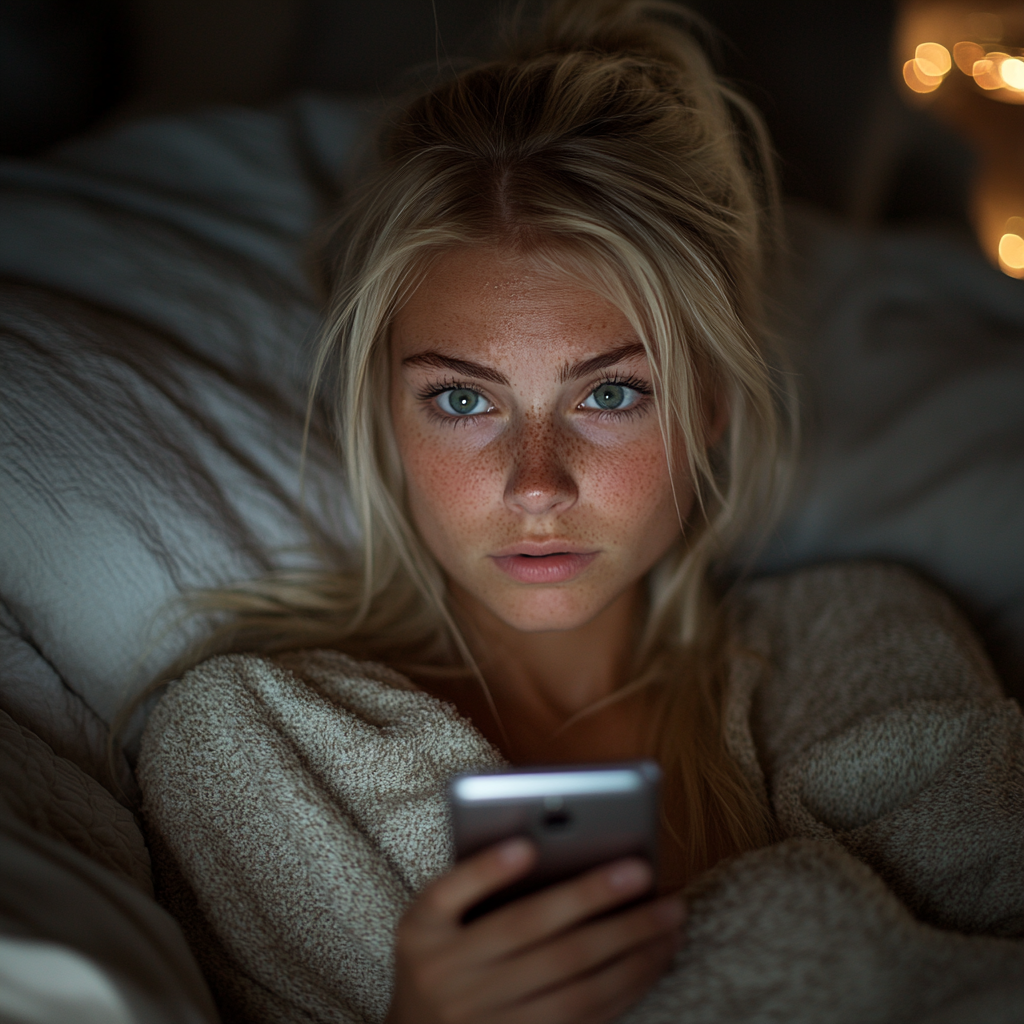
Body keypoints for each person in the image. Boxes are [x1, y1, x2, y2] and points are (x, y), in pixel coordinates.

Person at [135, 2, 1024, 1023]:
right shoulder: (266, 741)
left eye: (609, 393)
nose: (537, 483)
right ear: (382, 418)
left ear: (713, 402)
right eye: (463, 400)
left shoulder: (861, 636)